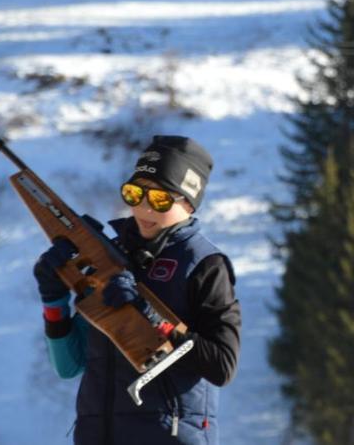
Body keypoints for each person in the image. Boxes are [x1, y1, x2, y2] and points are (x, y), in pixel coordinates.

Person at [32, 136, 242, 445]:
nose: (143, 208)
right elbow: (70, 365)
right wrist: (54, 300)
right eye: (134, 193)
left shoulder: (205, 265)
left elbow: (222, 366)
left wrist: (151, 315)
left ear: (188, 202)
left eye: (159, 200)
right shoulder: (111, 259)